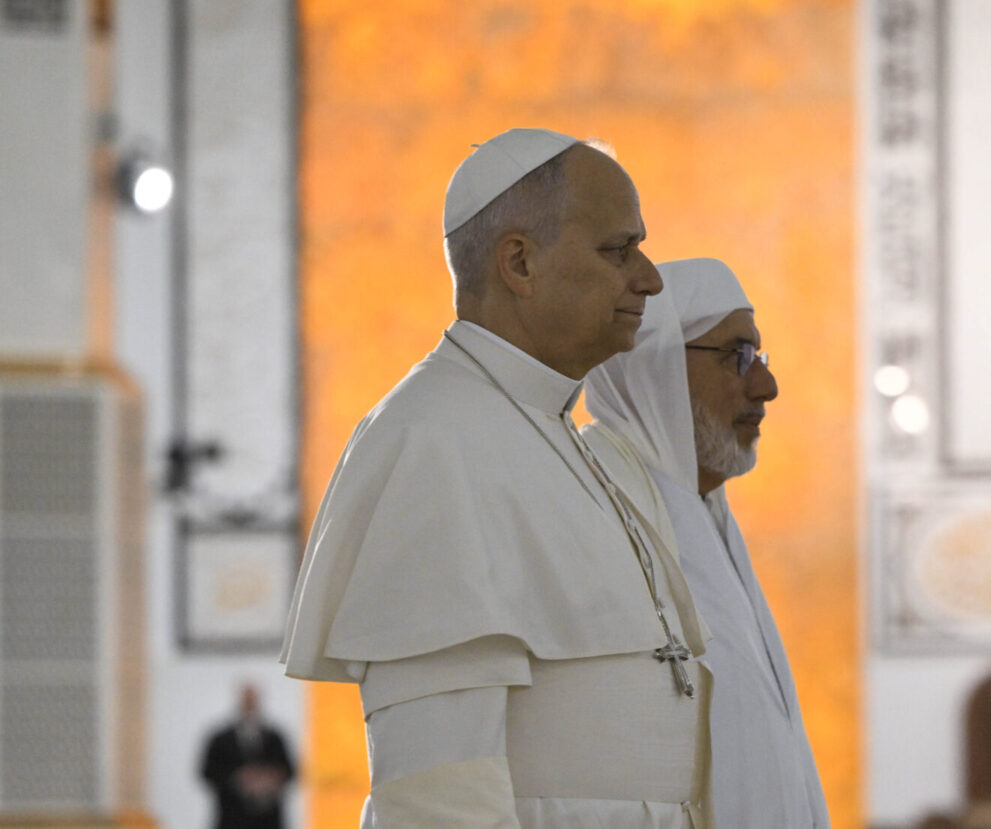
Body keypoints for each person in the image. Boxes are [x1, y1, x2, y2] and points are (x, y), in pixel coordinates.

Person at [280, 128, 713, 826]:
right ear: (519, 261)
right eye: (618, 250)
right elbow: (437, 793)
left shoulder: (562, 433)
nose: (650, 278)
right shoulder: (434, 442)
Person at [585, 257, 831, 827]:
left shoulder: (706, 512)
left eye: (760, 358)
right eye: (737, 356)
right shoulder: (592, 504)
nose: (765, 385)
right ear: (655, 367)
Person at [199, 684, 296, 829]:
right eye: (247, 702)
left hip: (268, 819)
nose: (250, 706)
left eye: (252, 702)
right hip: (231, 817)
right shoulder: (220, 739)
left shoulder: (275, 738)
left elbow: (290, 771)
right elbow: (207, 771)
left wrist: (270, 779)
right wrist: (237, 779)